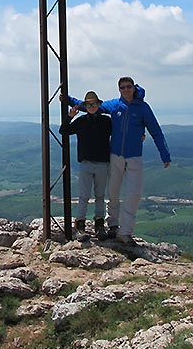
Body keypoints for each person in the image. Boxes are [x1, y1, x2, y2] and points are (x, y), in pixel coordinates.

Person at [68, 77, 171, 245]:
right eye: (122, 87)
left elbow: (156, 131)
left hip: (134, 156)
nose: (125, 89)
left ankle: (125, 232)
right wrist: (68, 100)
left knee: (134, 194)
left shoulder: (143, 108)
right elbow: (90, 106)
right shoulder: (115, 105)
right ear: (119, 89)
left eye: (128, 87)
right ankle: (113, 225)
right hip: (115, 155)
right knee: (113, 193)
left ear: (134, 88)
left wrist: (164, 154)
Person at [58, 90, 112, 241]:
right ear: (85, 106)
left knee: (100, 196)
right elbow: (63, 131)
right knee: (84, 196)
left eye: (94, 104)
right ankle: (80, 227)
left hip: (102, 164)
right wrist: (69, 117)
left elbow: (120, 134)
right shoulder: (81, 121)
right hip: (86, 163)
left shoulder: (107, 121)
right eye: (89, 104)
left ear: (98, 105)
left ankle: (99, 226)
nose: (92, 106)